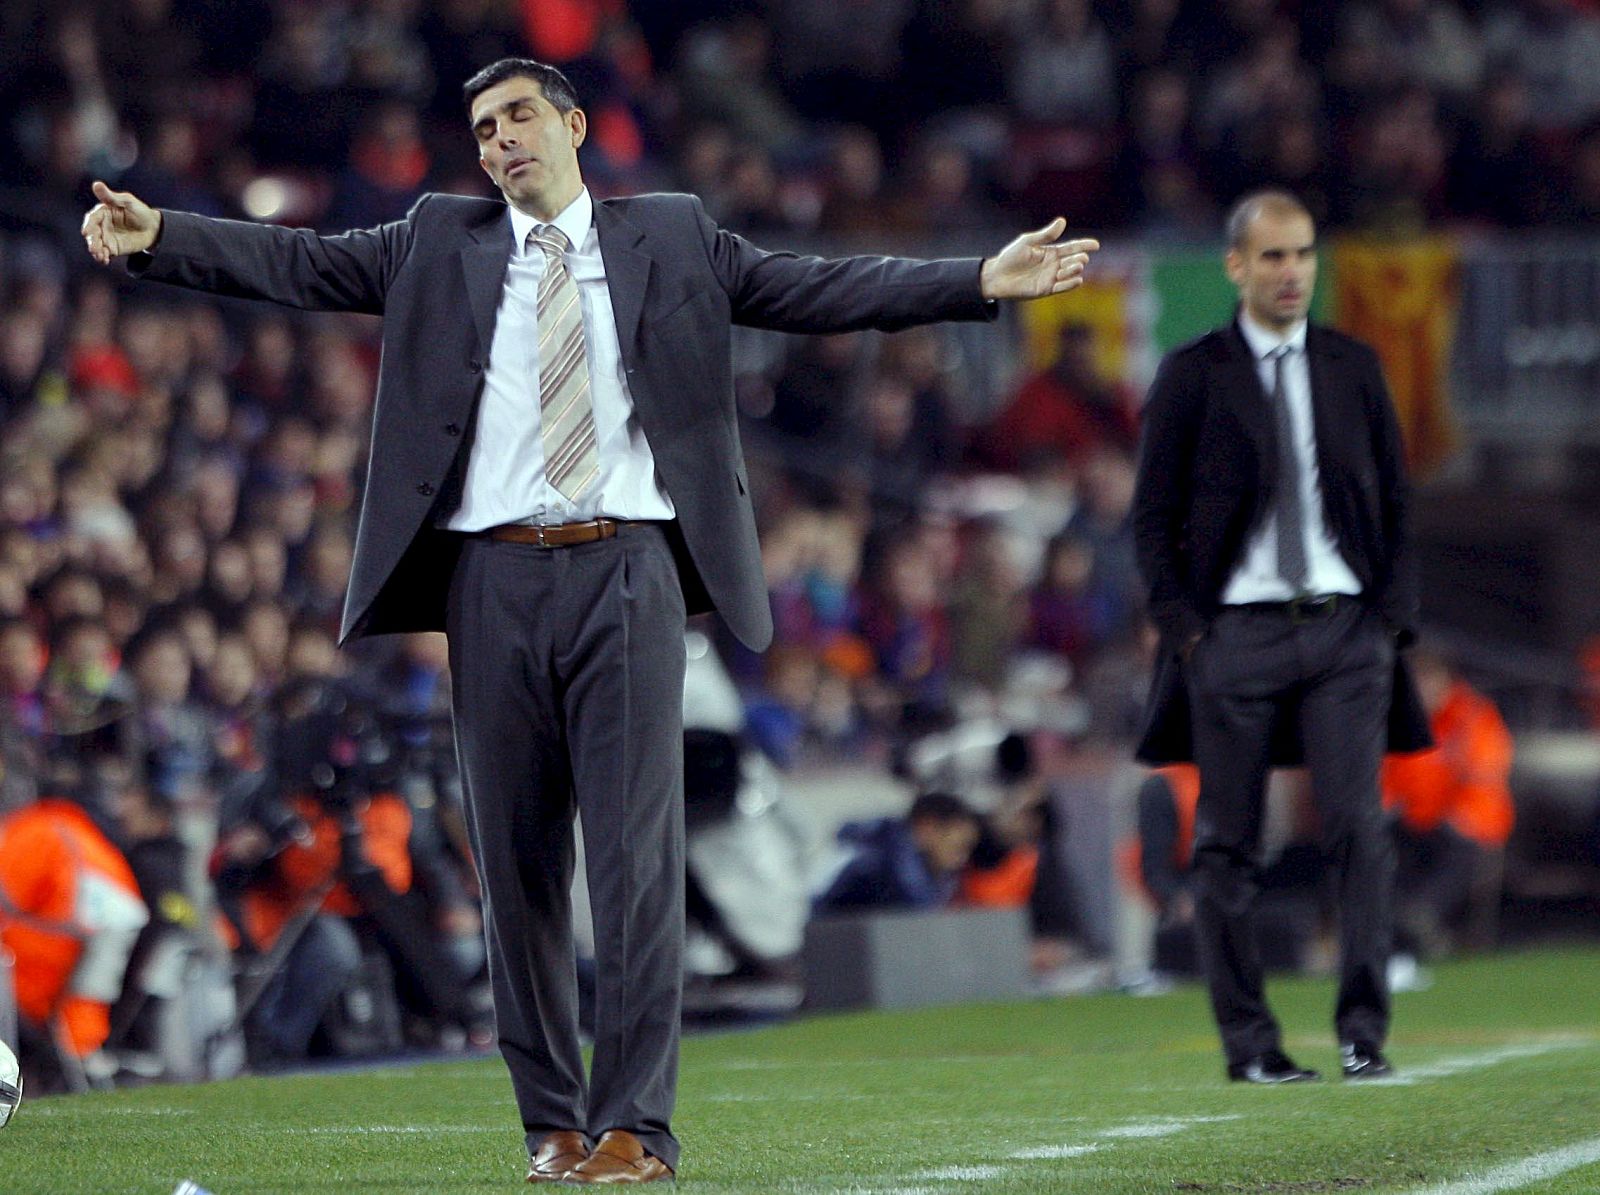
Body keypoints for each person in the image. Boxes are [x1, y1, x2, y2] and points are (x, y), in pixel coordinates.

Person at [81, 57, 1099, 1184]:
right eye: (482, 128)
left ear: (571, 124)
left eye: (520, 116)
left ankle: (636, 1128)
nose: (501, 140)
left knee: (633, 862)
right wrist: (160, 233)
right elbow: (299, 262)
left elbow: (811, 287)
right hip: (489, 584)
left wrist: (977, 281)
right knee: (514, 869)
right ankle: (551, 1128)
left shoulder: (669, 232)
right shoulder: (433, 239)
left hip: (630, 571)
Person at [1131, 189, 1430, 1086]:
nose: (1292, 271)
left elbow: (1399, 502)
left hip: (1344, 630)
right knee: (1226, 845)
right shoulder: (1192, 374)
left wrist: (1388, 622)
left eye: (1302, 254)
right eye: (1272, 256)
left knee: (1358, 828)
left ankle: (1362, 1033)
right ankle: (1252, 1045)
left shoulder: (1353, 366)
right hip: (1235, 638)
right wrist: (1188, 633)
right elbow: (1151, 518)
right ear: (1235, 266)